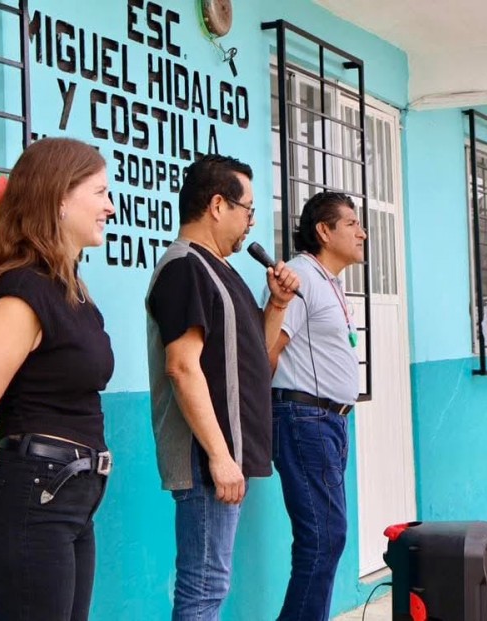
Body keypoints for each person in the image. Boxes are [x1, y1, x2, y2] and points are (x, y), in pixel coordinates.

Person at [0, 137, 116, 621]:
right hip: (35, 499)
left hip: (71, 497)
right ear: (59, 198)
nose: (110, 207)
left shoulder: (72, 291)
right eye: (100, 192)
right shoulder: (22, 293)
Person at [145, 154, 300, 621]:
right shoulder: (184, 267)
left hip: (224, 458)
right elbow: (181, 367)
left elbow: (255, 358)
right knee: (204, 588)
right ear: (217, 205)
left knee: (211, 585)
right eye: (248, 209)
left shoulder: (220, 270)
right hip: (206, 459)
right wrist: (218, 455)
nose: (251, 223)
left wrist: (277, 305)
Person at [268, 192, 367, 621]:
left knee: (325, 538)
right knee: (323, 537)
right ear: (324, 231)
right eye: (352, 224)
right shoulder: (301, 278)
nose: (362, 233)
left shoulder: (329, 281)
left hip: (329, 422)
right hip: (304, 418)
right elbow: (268, 352)